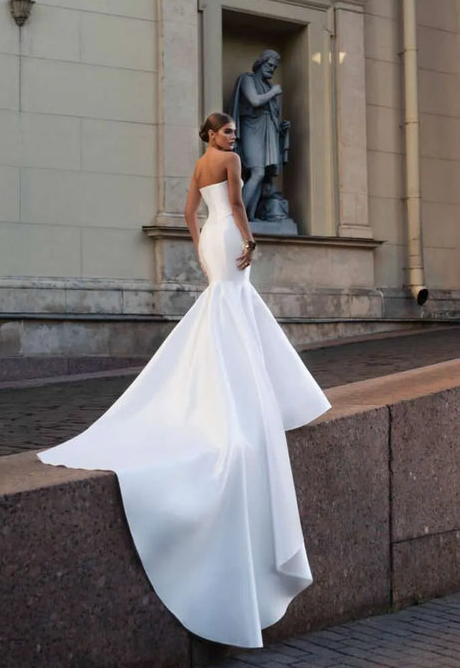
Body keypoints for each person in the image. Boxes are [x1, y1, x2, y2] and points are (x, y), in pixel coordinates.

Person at [38, 112, 331, 649]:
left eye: (234, 136)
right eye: (225, 133)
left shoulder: (199, 165)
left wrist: (202, 244)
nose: (232, 140)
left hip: (211, 241)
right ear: (211, 135)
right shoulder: (230, 164)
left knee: (226, 302)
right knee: (236, 300)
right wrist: (250, 240)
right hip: (232, 236)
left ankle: (228, 376)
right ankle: (248, 384)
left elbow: (189, 212)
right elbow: (239, 205)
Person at [227, 49, 284, 220]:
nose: (271, 70)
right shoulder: (247, 79)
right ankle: (237, 216)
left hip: (267, 129)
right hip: (252, 127)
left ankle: (250, 217)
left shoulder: (267, 86)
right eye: (269, 65)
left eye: (274, 68)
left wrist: (281, 127)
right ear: (261, 63)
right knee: (257, 172)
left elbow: (272, 111)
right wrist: (274, 92)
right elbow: (254, 100)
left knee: (261, 174)